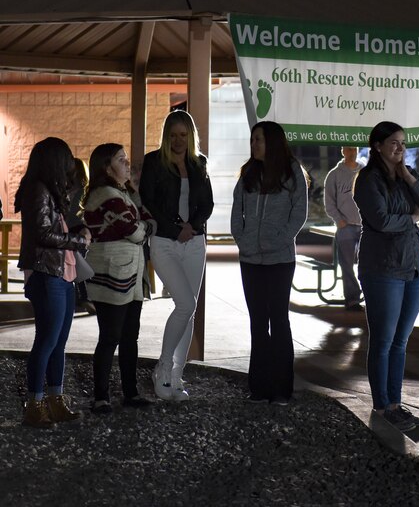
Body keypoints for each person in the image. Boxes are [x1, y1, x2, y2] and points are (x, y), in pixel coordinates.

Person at [353, 121, 419, 431]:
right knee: (384, 341)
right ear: (377, 146)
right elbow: (381, 221)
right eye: (394, 143)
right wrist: (412, 217)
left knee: (400, 342)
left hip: (414, 267)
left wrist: (408, 178)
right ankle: (382, 405)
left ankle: (396, 404)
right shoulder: (367, 180)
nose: (400, 148)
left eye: (403, 143)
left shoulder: (407, 177)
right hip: (383, 269)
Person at [15, 137, 90, 428]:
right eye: (67, 158)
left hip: (62, 273)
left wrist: (78, 230)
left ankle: (55, 400)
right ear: (56, 160)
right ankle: (34, 404)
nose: (72, 163)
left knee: (59, 342)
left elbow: (59, 225)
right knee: (46, 341)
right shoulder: (38, 190)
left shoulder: (53, 191)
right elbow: (42, 234)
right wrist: (77, 240)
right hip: (48, 274)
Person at [231, 121, 308, 404]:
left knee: (279, 320)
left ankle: (282, 389)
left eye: (259, 140)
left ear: (273, 142)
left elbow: (299, 212)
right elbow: (237, 210)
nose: (254, 145)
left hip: (280, 259)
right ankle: (259, 388)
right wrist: (242, 240)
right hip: (250, 259)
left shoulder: (291, 172)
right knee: (257, 322)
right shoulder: (248, 173)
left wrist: (281, 238)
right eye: (252, 140)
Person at [140, 109, 214, 401]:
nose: (178, 141)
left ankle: (176, 376)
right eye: (173, 135)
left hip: (194, 241)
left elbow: (207, 203)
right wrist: (175, 228)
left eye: (184, 135)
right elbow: (148, 201)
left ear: (191, 136)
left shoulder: (199, 164)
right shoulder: (153, 162)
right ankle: (163, 367)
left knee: (189, 309)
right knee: (185, 303)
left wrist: (192, 227)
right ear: (166, 136)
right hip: (165, 242)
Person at [84, 143, 157, 414]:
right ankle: (101, 396)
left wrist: (143, 221)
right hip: (113, 277)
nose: (128, 164)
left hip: (130, 276)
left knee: (129, 336)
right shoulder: (106, 195)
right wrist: (145, 226)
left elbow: (144, 219)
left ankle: (130, 393)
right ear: (106, 167)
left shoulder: (123, 193)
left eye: (127, 159)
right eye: (121, 160)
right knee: (111, 336)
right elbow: (136, 231)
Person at [323, 146, 364, 311]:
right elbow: (329, 201)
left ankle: (368, 294)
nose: (352, 152)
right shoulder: (334, 174)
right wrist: (339, 220)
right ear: (342, 151)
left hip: (365, 226)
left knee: (367, 263)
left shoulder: (365, 172)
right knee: (346, 264)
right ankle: (352, 298)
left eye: (354, 149)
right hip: (345, 227)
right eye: (348, 149)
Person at [68, 157, 95, 314]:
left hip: (72, 228)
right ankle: (84, 298)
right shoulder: (85, 188)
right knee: (80, 264)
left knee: (77, 264)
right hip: (80, 227)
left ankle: (83, 298)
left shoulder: (72, 188)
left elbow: (72, 212)